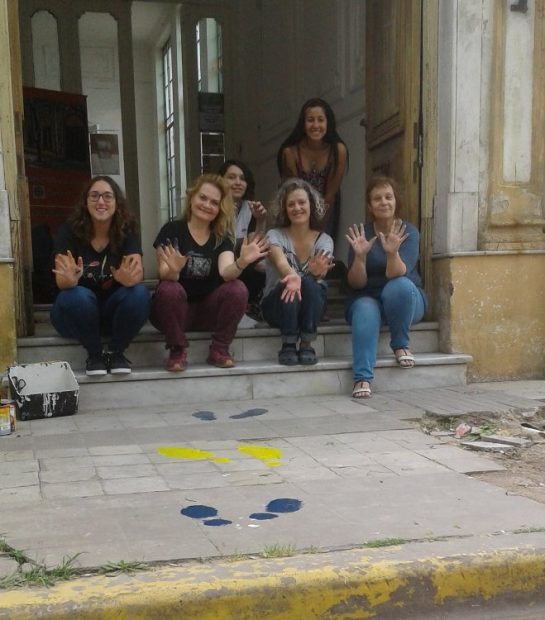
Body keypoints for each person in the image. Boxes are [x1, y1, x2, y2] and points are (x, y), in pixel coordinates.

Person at [150, 174, 269, 372]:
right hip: (174, 312)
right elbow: (163, 274)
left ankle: (220, 349)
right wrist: (173, 270)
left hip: (207, 313)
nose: (207, 205)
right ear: (192, 198)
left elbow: (226, 273)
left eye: (214, 202)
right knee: (169, 288)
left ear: (220, 208)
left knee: (237, 288)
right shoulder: (172, 230)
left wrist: (242, 261)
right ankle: (177, 350)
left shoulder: (222, 237)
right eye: (203, 198)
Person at [50, 175, 150, 376]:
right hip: (76, 316)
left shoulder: (126, 231)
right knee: (76, 295)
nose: (101, 202)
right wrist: (70, 280)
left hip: (112, 316)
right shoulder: (69, 231)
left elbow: (136, 274)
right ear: (85, 202)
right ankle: (95, 354)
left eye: (107, 196)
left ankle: (116, 352)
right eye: (94, 196)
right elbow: (62, 280)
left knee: (139, 293)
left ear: (116, 203)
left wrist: (127, 279)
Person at [345, 176, 427, 399]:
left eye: (388, 197)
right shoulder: (361, 234)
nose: (383, 202)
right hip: (369, 297)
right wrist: (360, 257)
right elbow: (356, 283)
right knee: (364, 308)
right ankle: (362, 377)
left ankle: (400, 343)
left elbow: (396, 273)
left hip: (406, 300)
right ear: (370, 205)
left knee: (399, 286)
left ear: (395, 200)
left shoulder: (408, 231)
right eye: (377, 198)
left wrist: (392, 252)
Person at [261, 178, 334, 366]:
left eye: (302, 202)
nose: (297, 208)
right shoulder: (274, 235)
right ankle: (288, 343)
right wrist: (293, 276)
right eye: (291, 204)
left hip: (309, 309)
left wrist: (316, 275)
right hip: (277, 307)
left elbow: (321, 273)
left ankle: (307, 343)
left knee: (311, 284)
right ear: (284, 209)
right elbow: (280, 262)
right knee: (291, 283)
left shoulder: (324, 240)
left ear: (311, 205)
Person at [277, 98, 348, 240]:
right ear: (303, 124)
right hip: (297, 206)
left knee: (323, 246)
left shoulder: (338, 151)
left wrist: (318, 226)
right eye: (310, 120)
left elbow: (330, 194)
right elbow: (292, 191)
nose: (316, 125)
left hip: (327, 207)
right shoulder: (290, 153)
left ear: (328, 123)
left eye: (320, 120)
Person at [218, 159, 267, 315]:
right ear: (220, 181)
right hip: (219, 262)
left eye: (242, 178)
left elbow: (255, 246)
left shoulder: (250, 207)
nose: (238, 183)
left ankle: (249, 306)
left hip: (240, 262)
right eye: (231, 177)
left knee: (261, 265)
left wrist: (260, 220)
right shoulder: (212, 205)